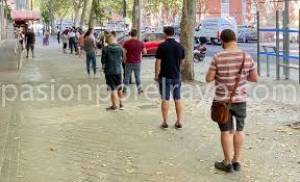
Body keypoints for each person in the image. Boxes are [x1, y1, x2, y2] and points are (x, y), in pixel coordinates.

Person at [206, 29, 258, 173]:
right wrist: (240, 77)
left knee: (226, 131)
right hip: (240, 100)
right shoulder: (246, 56)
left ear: (222, 41)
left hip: (222, 102)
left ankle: (227, 162)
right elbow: (255, 78)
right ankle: (237, 161)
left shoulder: (218, 57)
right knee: (240, 129)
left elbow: (209, 79)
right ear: (235, 39)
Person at [154, 26, 185, 130]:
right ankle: (179, 122)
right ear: (174, 33)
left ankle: (165, 122)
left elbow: (158, 62)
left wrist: (156, 74)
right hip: (176, 77)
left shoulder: (162, 46)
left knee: (165, 99)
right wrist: (178, 71)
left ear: (164, 33)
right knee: (177, 99)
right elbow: (182, 62)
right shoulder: (180, 46)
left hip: (164, 77)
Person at [101, 34, 124, 111]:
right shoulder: (120, 48)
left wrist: (103, 69)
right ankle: (121, 104)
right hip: (118, 71)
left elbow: (103, 63)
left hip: (109, 72)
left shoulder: (105, 49)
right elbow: (122, 59)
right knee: (119, 88)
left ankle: (115, 106)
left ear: (107, 41)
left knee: (113, 89)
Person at [123, 29, 147, 94]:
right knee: (137, 76)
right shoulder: (140, 43)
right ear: (136, 34)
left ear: (130, 34)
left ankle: (124, 90)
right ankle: (139, 89)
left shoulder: (126, 43)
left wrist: (124, 59)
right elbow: (145, 52)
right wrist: (140, 53)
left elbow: (124, 53)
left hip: (128, 62)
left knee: (127, 77)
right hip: (137, 62)